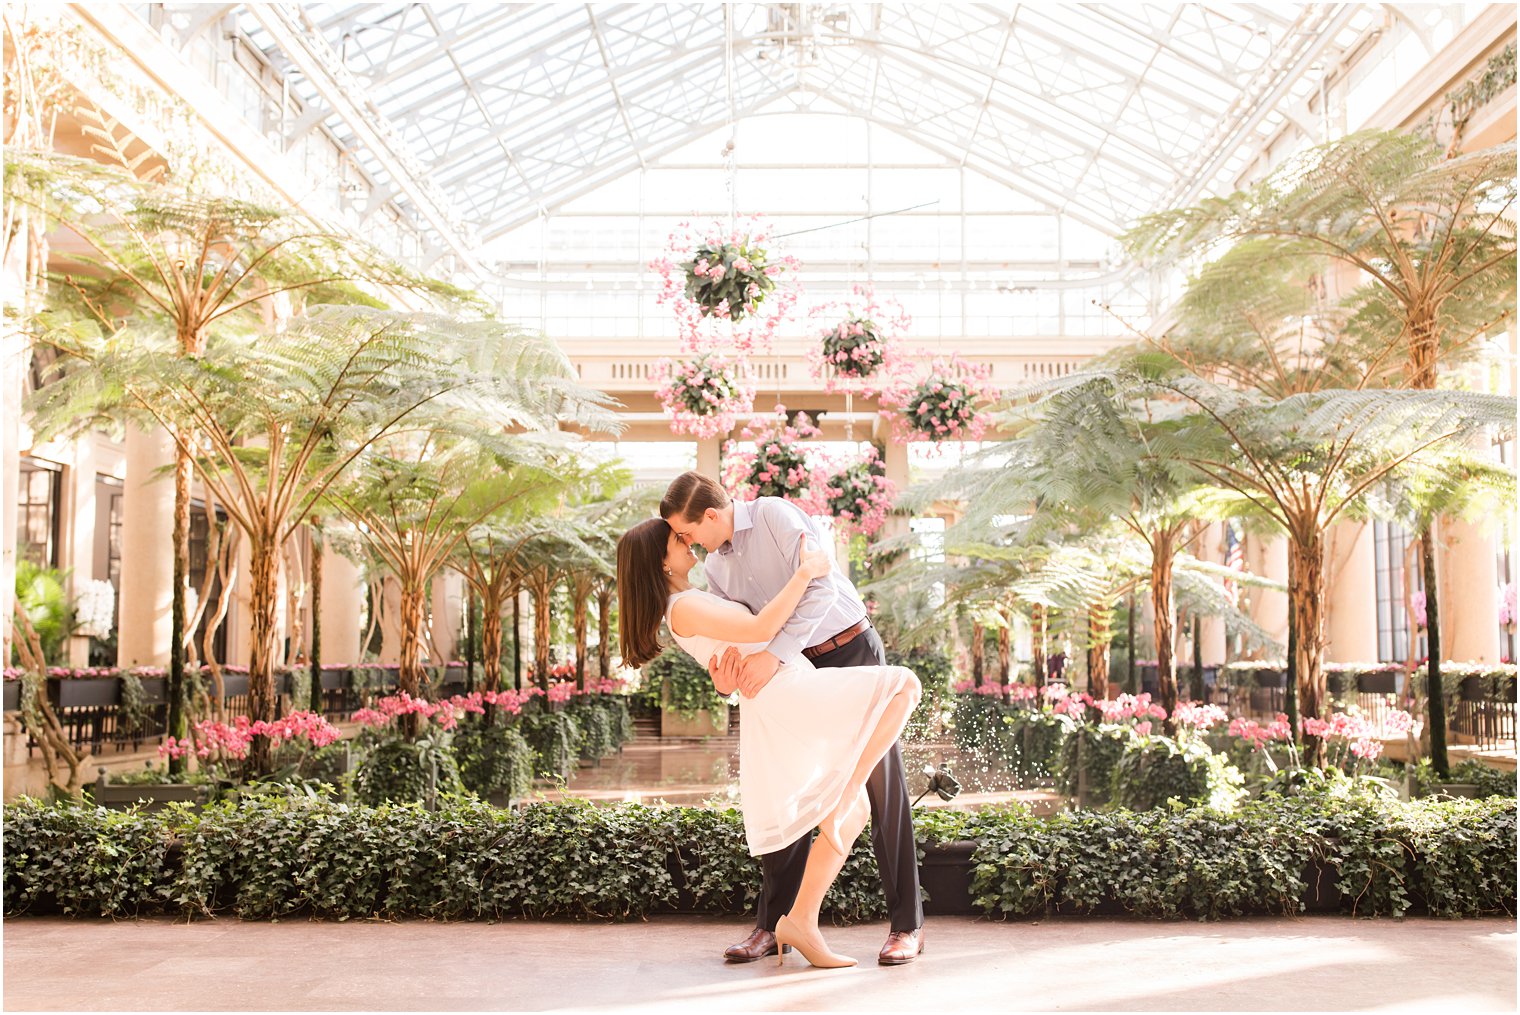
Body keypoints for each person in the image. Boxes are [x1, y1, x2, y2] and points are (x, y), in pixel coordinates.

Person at [616, 514, 920, 968]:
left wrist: (724, 675)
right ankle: (845, 801)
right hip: (782, 690)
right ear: (660, 563)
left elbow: (731, 649)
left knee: (851, 811)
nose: (687, 542)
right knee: (905, 686)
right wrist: (805, 572)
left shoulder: (701, 587)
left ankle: (802, 920)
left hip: (782, 684)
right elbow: (759, 630)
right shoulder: (683, 604)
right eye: (677, 539)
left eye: (685, 531)